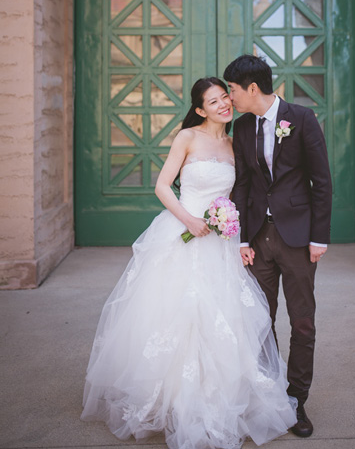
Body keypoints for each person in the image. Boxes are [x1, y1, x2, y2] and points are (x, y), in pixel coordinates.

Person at [82, 77, 297, 449]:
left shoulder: (234, 144)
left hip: (221, 240)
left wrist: (233, 229)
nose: (223, 106)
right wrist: (190, 220)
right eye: (213, 102)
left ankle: (217, 397)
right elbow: (163, 186)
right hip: (183, 231)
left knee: (222, 319)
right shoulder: (187, 138)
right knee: (177, 315)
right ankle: (172, 401)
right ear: (200, 109)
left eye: (224, 99)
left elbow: (239, 194)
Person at [224, 54, 332, 438]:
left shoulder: (301, 118)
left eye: (233, 90)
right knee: (259, 322)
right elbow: (242, 184)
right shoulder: (240, 127)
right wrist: (239, 239)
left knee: (302, 322)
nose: (229, 96)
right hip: (258, 239)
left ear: (252, 88)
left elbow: (322, 180)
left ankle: (297, 401)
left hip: (300, 239)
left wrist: (319, 237)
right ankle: (266, 401)